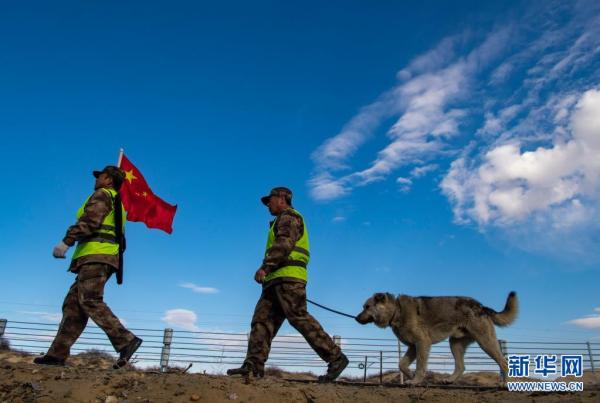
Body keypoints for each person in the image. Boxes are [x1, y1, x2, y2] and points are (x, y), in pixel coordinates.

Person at [227, 187, 348, 382]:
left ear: (282, 199)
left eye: (270, 200)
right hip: (275, 280)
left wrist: (265, 267)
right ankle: (253, 366)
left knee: (298, 317)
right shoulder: (278, 220)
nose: (268, 204)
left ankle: (336, 358)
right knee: (261, 321)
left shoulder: (290, 216)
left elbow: (284, 244)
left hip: (289, 278)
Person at [33, 166, 142, 368]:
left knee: (90, 300)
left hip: (96, 256)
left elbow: (90, 221)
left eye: (100, 176)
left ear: (108, 180)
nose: (96, 179)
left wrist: (67, 241)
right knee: (74, 306)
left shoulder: (102, 195)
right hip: (101, 257)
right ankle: (56, 355)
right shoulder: (117, 203)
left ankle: (126, 340)